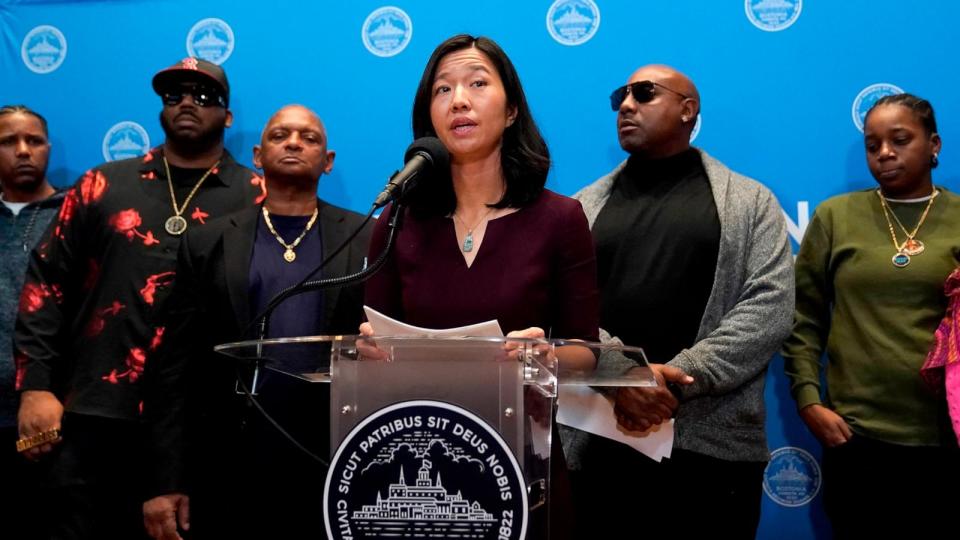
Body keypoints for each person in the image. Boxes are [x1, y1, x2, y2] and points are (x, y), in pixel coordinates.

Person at [362, 34, 599, 538]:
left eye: (476, 84)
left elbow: (587, 350)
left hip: (522, 457)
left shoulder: (560, 218)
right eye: (442, 90)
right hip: (415, 444)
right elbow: (370, 341)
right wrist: (367, 354)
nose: (459, 100)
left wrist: (548, 355)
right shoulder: (396, 220)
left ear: (511, 110)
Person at [14, 58, 262, 539]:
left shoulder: (257, 195)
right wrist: (35, 385)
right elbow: (45, 283)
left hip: (201, 424)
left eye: (204, 95)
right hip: (91, 412)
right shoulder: (102, 184)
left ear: (228, 116)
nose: (188, 102)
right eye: (175, 94)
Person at [566, 64, 794, 537]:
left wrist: (676, 382)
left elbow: (769, 307)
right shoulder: (579, 208)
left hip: (713, 451)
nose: (626, 105)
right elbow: (562, 310)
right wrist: (623, 376)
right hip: (598, 445)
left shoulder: (751, 202)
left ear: (688, 109)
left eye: (644, 93)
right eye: (620, 96)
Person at [141, 104, 371, 540]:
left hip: (329, 455)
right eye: (280, 135)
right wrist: (165, 480)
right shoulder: (208, 239)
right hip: (228, 456)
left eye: (309, 137)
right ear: (258, 155)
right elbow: (174, 366)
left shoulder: (364, 235)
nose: (293, 143)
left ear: (329, 161)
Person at [782, 93, 960, 538]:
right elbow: (802, 318)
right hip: (857, 438)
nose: (884, 154)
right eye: (873, 144)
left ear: (934, 145)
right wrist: (809, 401)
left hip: (947, 439)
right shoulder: (837, 217)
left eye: (900, 140)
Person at [0, 105, 65, 540]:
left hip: (55, 418)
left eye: (34, 141)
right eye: (9, 142)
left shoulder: (76, 214)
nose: (23, 151)